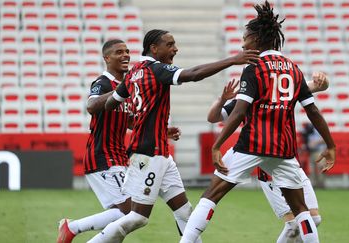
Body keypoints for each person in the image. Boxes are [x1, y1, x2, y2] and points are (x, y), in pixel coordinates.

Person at [179, 2, 336, 243]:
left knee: (212, 194)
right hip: (283, 149)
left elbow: (240, 112)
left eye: (245, 38)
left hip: (251, 144)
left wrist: (217, 145)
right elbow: (312, 111)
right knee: (302, 210)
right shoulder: (293, 70)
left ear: (256, 38)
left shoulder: (254, 69)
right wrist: (331, 145)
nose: (243, 44)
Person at [86, 29, 260, 243]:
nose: (175, 49)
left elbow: (112, 103)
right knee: (137, 217)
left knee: (184, 212)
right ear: (154, 48)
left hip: (160, 153)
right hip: (147, 153)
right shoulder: (155, 69)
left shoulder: (133, 73)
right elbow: (193, 74)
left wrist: (147, 120)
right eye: (170, 45)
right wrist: (233, 60)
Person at [56, 39, 182, 243]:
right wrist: (120, 91)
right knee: (130, 212)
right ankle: (72, 227)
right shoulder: (103, 82)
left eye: (127, 51)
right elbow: (92, 106)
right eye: (118, 52)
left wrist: (162, 131)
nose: (125, 55)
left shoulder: (128, 87)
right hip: (101, 156)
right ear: (107, 58)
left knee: (126, 214)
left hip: (119, 156)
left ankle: (73, 228)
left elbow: (128, 119)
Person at [207, 72, 328, 243]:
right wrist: (221, 99)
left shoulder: (283, 87)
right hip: (268, 166)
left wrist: (323, 79)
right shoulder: (246, 96)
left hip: (288, 159)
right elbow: (213, 117)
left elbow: (318, 86)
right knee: (294, 222)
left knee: (313, 219)